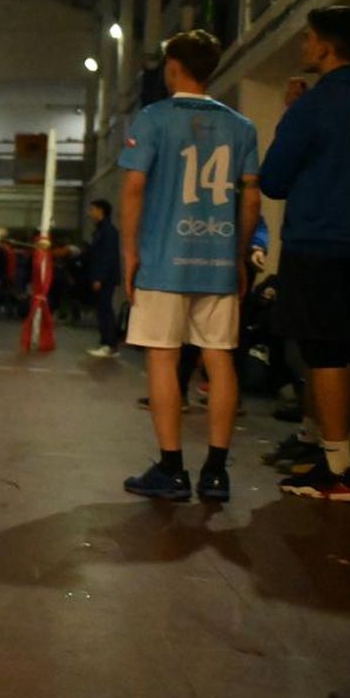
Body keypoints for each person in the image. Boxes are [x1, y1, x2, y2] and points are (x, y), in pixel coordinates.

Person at [119, 30, 260, 503]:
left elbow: (134, 187)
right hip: (217, 258)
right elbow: (251, 195)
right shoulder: (242, 126)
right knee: (219, 359)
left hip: (163, 259)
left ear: (174, 66)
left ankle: (172, 468)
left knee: (163, 356)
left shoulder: (155, 118)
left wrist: (130, 252)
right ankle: (216, 473)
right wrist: (238, 254)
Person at [259, 5, 350, 501]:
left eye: (307, 39)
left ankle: (337, 468)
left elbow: (275, 181)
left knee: (325, 353)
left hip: (320, 243)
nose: (303, 46)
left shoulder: (313, 107)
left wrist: (290, 118)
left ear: (324, 46)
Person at [85, 199, 121, 357]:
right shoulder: (100, 230)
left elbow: (107, 256)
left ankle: (109, 344)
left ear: (101, 211)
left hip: (105, 278)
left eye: (92, 209)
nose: (90, 213)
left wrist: (99, 278)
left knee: (105, 310)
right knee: (102, 310)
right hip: (102, 277)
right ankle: (106, 342)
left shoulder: (108, 231)